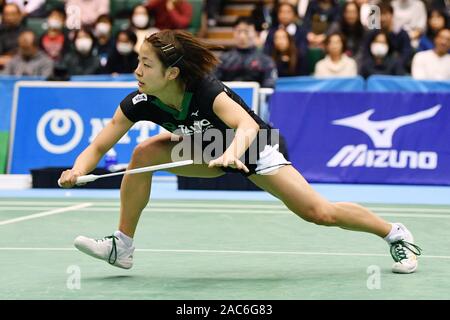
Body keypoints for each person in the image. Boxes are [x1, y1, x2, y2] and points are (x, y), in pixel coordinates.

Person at [58, 29, 422, 274]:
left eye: (146, 65)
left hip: (254, 147)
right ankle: (122, 246)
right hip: (208, 150)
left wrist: (234, 151)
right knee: (143, 153)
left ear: (171, 73)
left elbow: (247, 125)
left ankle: (394, 233)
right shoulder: (141, 101)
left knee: (319, 212)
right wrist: (76, 170)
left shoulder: (204, 90)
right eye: (139, 62)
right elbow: (99, 144)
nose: (137, 71)